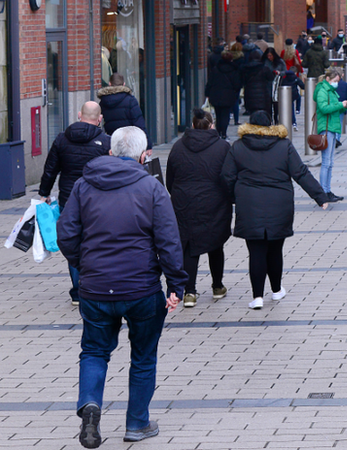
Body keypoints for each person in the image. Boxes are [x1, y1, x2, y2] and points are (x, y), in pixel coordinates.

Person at [57, 126, 185, 448]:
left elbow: (66, 234)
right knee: (143, 357)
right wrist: (176, 284)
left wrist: (85, 264)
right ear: (144, 156)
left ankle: (90, 403)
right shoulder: (151, 188)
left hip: (96, 290)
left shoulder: (84, 185)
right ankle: (137, 424)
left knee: (94, 350)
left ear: (111, 151)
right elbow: (169, 241)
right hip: (141, 289)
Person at [221, 111, 329, 310]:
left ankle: (257, 297)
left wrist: (235, 199)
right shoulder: (284, 145)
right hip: (280, 205)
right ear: (271, 125)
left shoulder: (238, 147)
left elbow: (226, 177)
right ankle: (277, 290)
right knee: (275, 250)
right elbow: (300, 172)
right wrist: (320, 196)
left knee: (256, 251)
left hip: (250, 205)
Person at [38, 101, 111, 305]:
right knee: (97, 242)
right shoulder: (106, 142)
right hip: (98, 201)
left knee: (72, 242)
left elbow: (50, 169)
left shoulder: (62, 139)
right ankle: (97, 285)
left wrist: (44, 193)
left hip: (68, 200)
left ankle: (78, 291)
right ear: (100, 118)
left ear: (79, 115)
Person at [165, 109, 231, 307]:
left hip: (184, 204)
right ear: (212, 125)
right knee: (215, 244)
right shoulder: (223, 147)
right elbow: (228, 177)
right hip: (215, 204)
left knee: (188, 247)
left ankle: (189, 292)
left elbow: (170, 179)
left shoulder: (178, 146)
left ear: (192, 125)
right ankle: (217, 286)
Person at [315, 68, 347, 201]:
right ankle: (324, 192)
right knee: (326, 162)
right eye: (335, 81)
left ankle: (327, 190)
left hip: (331, 126)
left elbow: (333, 106)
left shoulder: (330, 91)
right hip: (326, 127)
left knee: (329, 162)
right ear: (328, 79)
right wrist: (340, 105)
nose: (337, 83)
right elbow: (324, 108)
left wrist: (343, 106)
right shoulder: (323, 91)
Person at [97, 73, 152, 150]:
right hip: (129, 141)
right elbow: (139, 123)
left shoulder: (103, 101)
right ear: (124, 84)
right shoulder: (130, 100)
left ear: (110, 84)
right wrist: (148, 145)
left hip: (112, 140)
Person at [206, 49, 243, 138]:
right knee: (225, 115)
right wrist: (235, 92)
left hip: (216, 94)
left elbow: (210, 82)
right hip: (228, 94)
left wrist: (207, 93)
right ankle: (224, 133)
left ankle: (218, 132)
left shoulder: (215, 69)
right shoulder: (234, 70)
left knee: (218, 115)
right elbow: (237, 84)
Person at [241, 49, 274, 116]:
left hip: (249, 93)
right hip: (263, 93)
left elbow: (242, 80)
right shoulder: (264, 68)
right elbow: (271, 78)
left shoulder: (245, 69)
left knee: (253, 114)